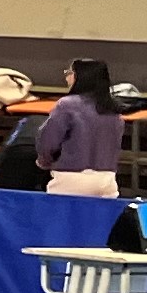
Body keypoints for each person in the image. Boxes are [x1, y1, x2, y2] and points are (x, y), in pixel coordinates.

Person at [35, 56, 126, 199]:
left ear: (80, 76)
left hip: (71, 179)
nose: (67, 78)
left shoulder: (67, 105)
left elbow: (48, 141)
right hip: (107, 179)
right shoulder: (113, 109)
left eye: (69, 73)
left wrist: (44, 161)